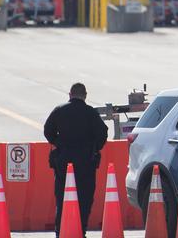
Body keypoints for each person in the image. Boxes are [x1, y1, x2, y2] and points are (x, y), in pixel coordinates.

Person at [44, 82, 108, 238]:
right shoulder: (90, 113)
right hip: (86, 162)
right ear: (85, 96)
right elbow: (102, 134)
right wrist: (93, 148)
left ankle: (61, 232)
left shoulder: (59, 111)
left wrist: (59, 143)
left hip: (63, 161)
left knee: (62, 197)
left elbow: (48, 131)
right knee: (84, 198)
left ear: (70, 94)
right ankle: (80, 231)